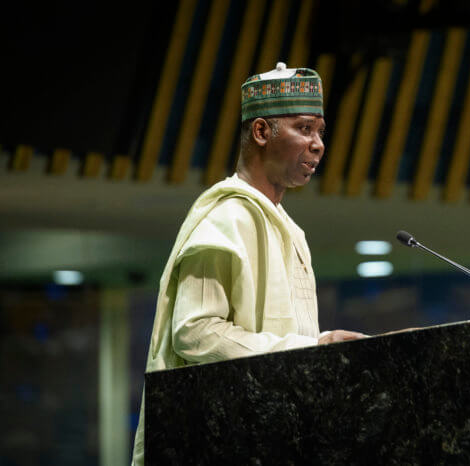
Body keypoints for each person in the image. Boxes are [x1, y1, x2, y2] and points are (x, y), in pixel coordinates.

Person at [131, 62, 365, 465]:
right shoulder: (227, 216)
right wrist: (311, 349)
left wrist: (319, 349)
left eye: (320, 133)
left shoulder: (289, 229)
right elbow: (194, 333)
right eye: (304, 129)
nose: (318, 145)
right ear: (260, 132)